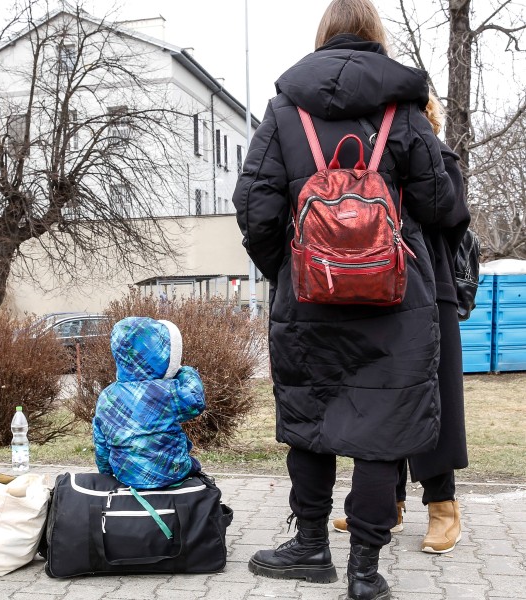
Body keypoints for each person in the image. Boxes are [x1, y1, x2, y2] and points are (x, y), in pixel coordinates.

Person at [232, 0, 466, 598]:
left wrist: (287, 270)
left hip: (309, 297)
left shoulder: (285, 108)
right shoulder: (404, 108)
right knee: (382, 429)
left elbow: (255, 207)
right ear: (375, 37)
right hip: (395, 303)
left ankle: (310, 546)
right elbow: (442, 206)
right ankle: (365, 571)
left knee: (312, 418)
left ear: (323, 37)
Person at [332, 96, 470, 555]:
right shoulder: (371, 155)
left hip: (431, 289)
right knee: (382, 395)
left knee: (435, 399)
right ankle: (385, 502)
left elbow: (451, 216)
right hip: (380, 289)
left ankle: (442, 505)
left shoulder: (440, 156)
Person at [93, 317, 205, 490]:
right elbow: (195, 400)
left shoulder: (107, 396)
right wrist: (184, 371)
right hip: (171, 471)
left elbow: (101, 441)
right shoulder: (167, 391)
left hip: (125, 473)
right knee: (194, 466)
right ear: (160, 354)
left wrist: (106, 474)